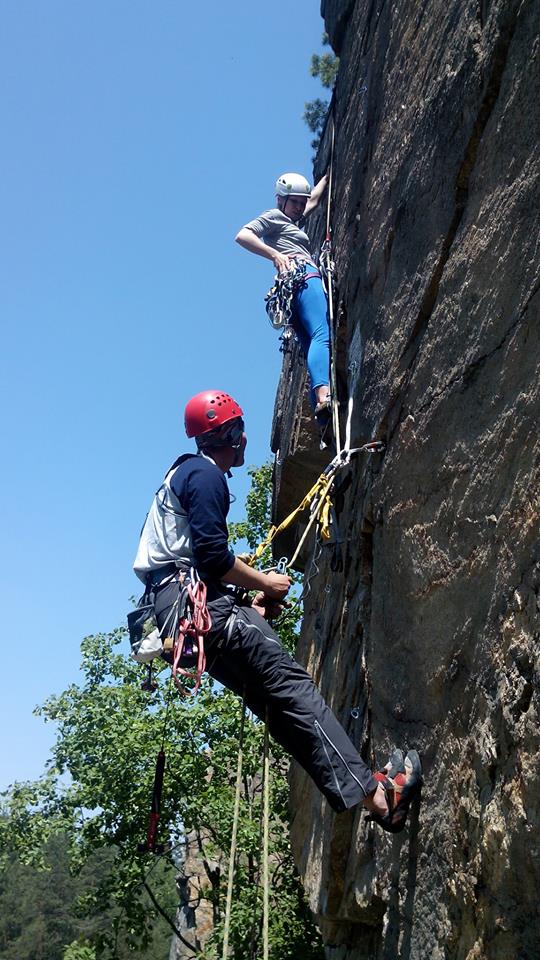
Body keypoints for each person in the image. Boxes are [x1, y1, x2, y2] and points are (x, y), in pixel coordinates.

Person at [133, 389, 422, 831]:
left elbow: (196, 563)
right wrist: (265, 582)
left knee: (281, 708)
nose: (246, 437)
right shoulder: (204, 477)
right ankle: (381, 800)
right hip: (201, 609)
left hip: (188, 613)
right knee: (293, 693)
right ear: (229, 433)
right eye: (240, 429)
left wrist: (246, 601)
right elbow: (211, 557)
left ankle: (373, 797)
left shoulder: (181, 477)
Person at [235, 173, 332, 420]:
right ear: (281, 200)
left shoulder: (291, 223)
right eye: (295, 202)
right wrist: (274, 255)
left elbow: (314, 201)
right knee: (322, 334)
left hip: (290, 292)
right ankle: (324, 396)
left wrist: (327, 175)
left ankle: (323, 421)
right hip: (302, 275)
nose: (300, 207)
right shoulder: (275, 217)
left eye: (301, 202)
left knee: (312, 342)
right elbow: (243, 235)